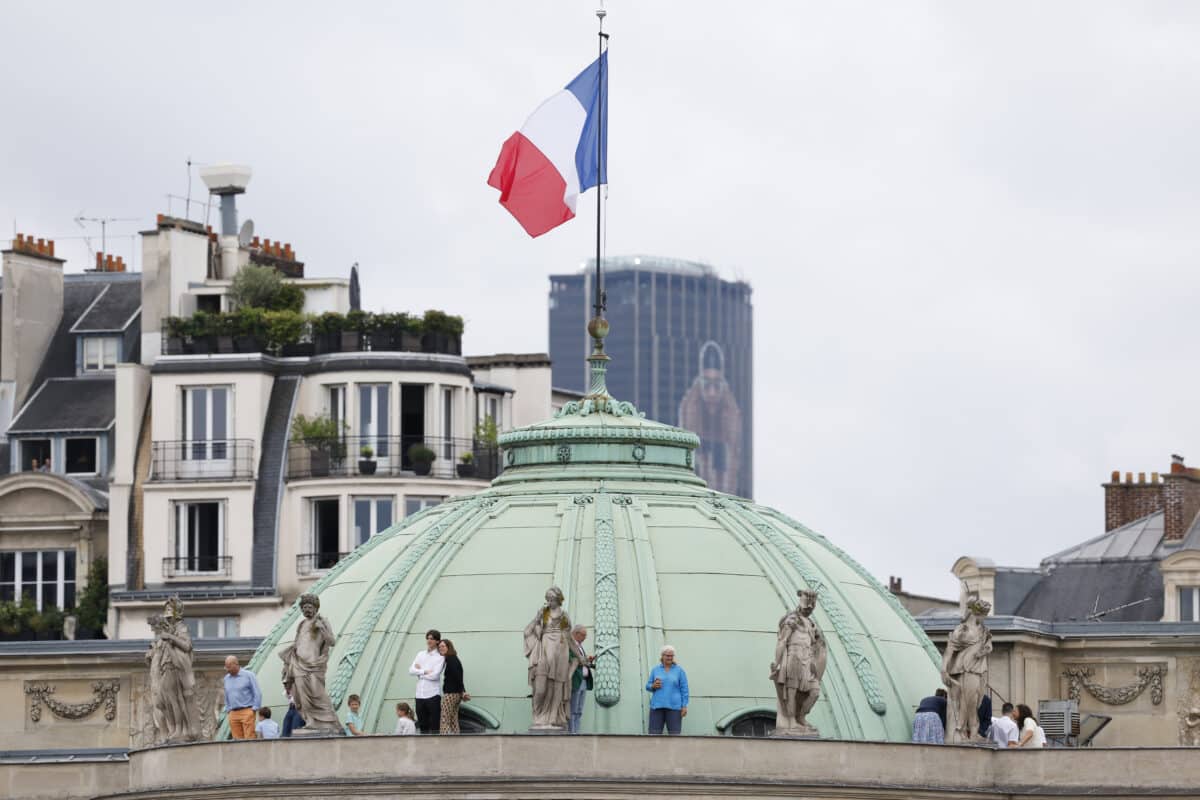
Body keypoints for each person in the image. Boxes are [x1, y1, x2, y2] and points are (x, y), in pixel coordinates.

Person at [523, 587, 587, 730]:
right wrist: (537, 617)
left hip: (560, 650)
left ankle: (553, 717)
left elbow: (569, 639)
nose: (549, 602)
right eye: (548, 599)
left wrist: (579, 656)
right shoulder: (544, 614)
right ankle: (539, 715)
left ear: (558, 599)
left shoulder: (563, 616)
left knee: (558, 685)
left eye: (552, 599)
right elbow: (528, 631)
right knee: (541, 688)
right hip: (545, 650)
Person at [941, 596, 993, 743]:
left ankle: (970, 732)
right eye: (983, 615)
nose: (984, 618)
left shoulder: (984, 630)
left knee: (976, 702)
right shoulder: (962, 630)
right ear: (976, 613)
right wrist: (944, 669)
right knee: (967, 702)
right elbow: (950, 650)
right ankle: (965, 732)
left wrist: (984, 650)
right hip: (966, 670)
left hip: (979, 670)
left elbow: (989, 646)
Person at [645, 645, 689, 735]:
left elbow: (684, 689)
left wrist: (684, 706)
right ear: (662, 656)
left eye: (671, 656)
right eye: (667, 655)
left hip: (674, 707)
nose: (669, 658)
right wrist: (653, 686)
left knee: (674, 735)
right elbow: (648, 686)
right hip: (657, 706)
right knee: (654, 735)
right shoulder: (655, 670)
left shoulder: (679, 671)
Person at [409, 629, 445, 734]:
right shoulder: (420, 654)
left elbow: (435, 676)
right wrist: (424, 671)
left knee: (435, 727)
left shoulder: (440, 657)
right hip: (419, 695)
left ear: (437, 641)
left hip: (433, 695)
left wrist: (419, 673)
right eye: (428, 638)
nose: (429, 641)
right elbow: (411, 670)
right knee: (423, 726)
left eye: (432, 639)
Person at [222, 655, 262, 740]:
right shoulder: (226, 679)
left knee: (249, 738)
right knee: (236, 740)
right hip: (233, 713)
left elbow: (257, 692)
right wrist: (228, 710)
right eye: (226, 667)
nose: (227, 669)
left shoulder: (249, 675)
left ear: (235, 664)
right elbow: (226, 695)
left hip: (247, 710)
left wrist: (254, 709)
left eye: (228, 667)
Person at [439, 639, 469, 734]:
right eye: (439, 647)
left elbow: (457, 676)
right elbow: (459, 677)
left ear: (449, 647)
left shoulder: (451, 659)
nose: (441, 648)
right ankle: (456, 739)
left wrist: (462, 691)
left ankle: (444, 741)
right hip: (456, 694)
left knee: (445, 718)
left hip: (450, 694)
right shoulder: (453, 659)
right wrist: (462, 691)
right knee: (453, 719)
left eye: (443, 646)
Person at [568, 624, 595, 734]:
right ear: (576, 634)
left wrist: (588, 661)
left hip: (583, 680)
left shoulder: (579, 646)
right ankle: (572, 732)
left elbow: (581, 661)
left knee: (579, 709)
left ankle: (577, 732)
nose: (585, 637)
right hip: (576, 679)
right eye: (583, 635)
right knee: (573, 708)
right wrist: (583, 660)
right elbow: (570, 660)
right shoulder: (570, 645)